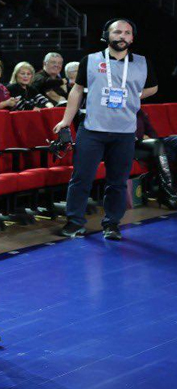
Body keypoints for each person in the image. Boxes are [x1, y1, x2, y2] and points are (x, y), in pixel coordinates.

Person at [55, 19, 159, 240]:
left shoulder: (142, 62)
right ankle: (74, 222)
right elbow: (77, 90)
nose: (122, 36)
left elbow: (153, 87)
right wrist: (66, 120)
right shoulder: (90, 60)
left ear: (132, 38)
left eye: (127, 33)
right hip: (92, 130)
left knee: (118, 182)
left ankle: (112, 224)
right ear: (107, 35)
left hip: (125, 132)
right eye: (117, 32)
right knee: (81, 179)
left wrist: (133, 96)